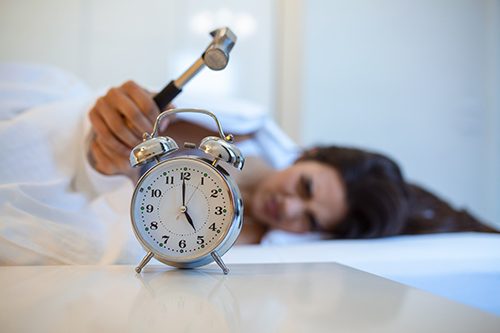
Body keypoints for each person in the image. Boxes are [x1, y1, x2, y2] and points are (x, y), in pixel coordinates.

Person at [88, 81, 498, 244]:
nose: (290, 209)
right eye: (306, 187)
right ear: (308, 154)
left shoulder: (252, 242)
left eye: (311, 221)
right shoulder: (231, 128)